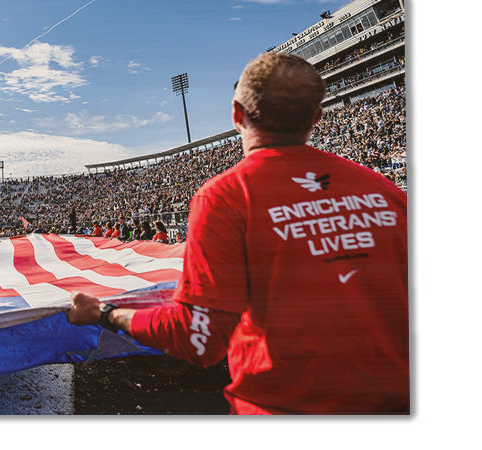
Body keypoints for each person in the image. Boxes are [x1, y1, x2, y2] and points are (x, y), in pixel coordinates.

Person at [67, 51, 409, 415]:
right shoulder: (387, 192)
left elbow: (197, 339)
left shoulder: (227, 196)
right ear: (316, 117)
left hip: (282, 410)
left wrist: (104, 313)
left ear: (236, 114)